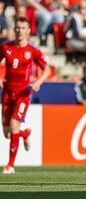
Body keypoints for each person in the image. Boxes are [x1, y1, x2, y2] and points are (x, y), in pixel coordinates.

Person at [0, 16, 51, 174]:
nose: (20, 31)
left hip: (23, 93)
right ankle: (24, 134)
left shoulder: (33, 51)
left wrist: (38, 83)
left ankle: (10, 165)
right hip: (7, 92)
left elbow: (47, 69)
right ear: (14, 29)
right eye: (17, 28)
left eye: (23, 28)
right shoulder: (5, 47)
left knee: (14, 123)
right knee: (8, 133)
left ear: (28, 31)